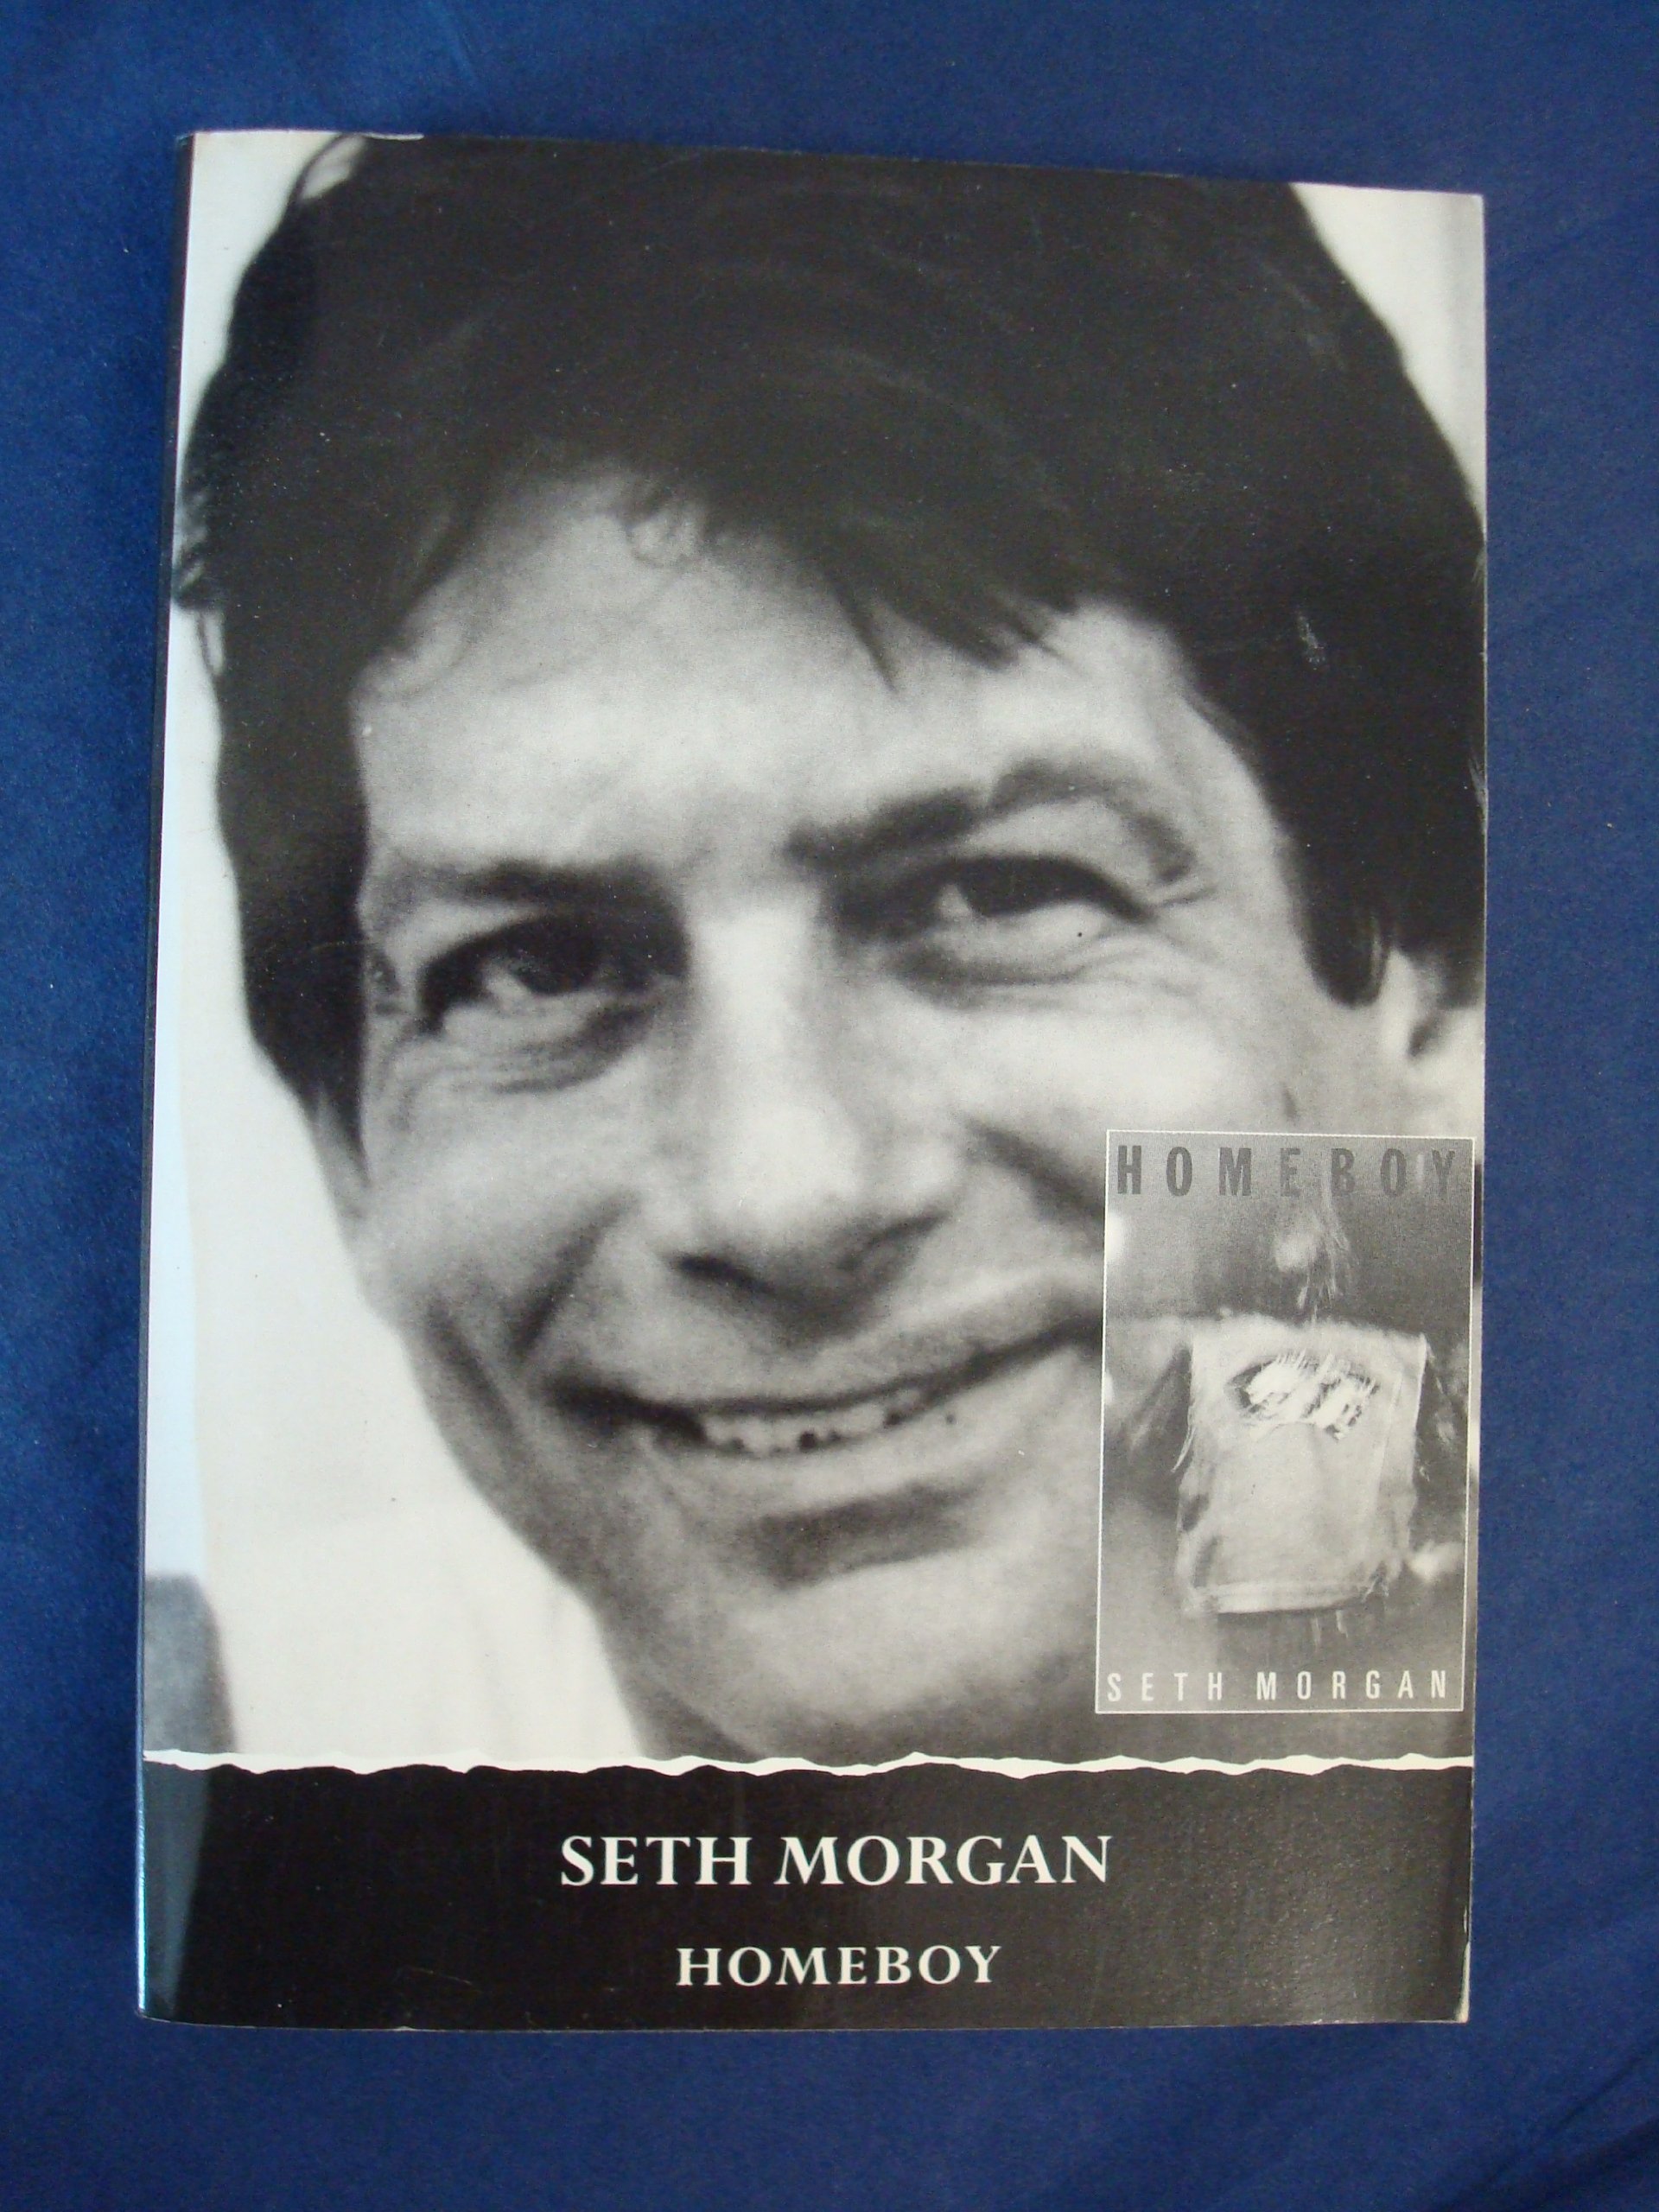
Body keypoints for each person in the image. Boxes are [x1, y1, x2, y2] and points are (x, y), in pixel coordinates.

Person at [173, 137, 1483, 1764]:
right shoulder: (160, 1783)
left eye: (998, 895)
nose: (780, 1193)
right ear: (349, 1151)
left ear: (1429, 983)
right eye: (537, 969)